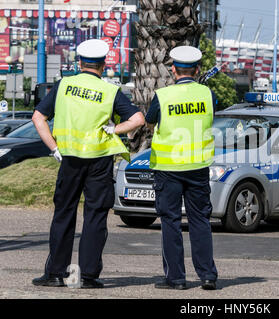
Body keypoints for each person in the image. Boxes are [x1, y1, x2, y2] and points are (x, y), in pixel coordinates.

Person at [31, 39, 145, 289]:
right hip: (99, 161)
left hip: (69, 159)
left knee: (64, 214)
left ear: (79, 63)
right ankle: (88, 276)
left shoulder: (64, 85)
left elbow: (38, 117)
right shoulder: (110, 91)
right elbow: (138, 118)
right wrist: (117, 128)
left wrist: (54, 147)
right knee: (95, 216)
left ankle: (55, 274)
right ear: (103, 65)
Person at [146, 46, 218, 290]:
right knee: (200, 220)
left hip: (168, 168)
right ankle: (207, 275)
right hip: (198, 167)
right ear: (197, 70)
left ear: (173, 69)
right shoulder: (207, 94)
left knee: (171, 220)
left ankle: (176, 278)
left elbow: (149, 120)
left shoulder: (163, 96)